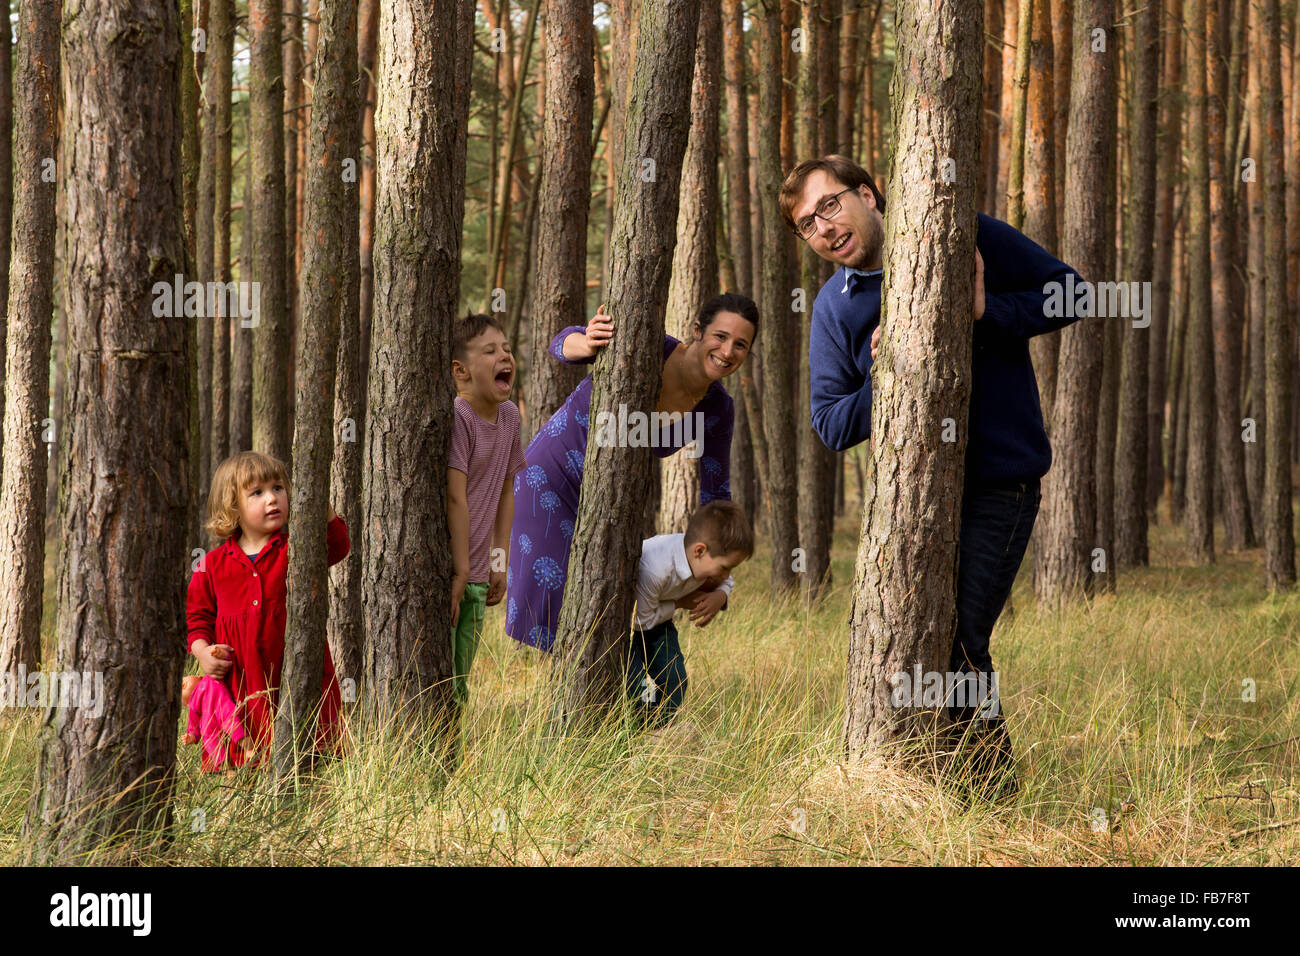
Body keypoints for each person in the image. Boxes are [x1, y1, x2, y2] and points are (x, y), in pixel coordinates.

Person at [779, 154, 1085, 779]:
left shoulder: (962, 235)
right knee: (916, 637)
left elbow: (1073, 293)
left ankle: (991, 798)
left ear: (868, 193)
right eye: (808, 224)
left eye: (830, 205)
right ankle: (945, 788)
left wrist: (987, 312)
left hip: (1000, 483)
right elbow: (832, 423)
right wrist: (890, 366)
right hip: (911, 502)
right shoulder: (835, 308)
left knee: (957, 642)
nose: (824, 228)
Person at [505, 292, 759, 653]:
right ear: (697, 330)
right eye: (720, 336)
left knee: (599, 599)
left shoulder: (718, 408)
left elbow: (716, 496)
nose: (728, 350)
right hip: (549, 478)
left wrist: (721, 589)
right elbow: (559, 343)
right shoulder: (648, 345)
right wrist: (587, 342)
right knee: (557, 602)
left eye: (741, 344)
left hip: (608, 501)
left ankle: (587, 697)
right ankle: (554, 697)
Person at [186, 451, 349, 769]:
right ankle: (245, 813)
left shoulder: (297, 547)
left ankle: (311, 813)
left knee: (309, 758)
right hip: (241, 682)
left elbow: (338, 544)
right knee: (244, 765)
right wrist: (204, 653)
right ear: (233, 506)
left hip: (296, 672)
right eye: (257, 493)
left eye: (278, 488)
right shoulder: (211, 565)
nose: (272, 498)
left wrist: (317, 498)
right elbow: (197, 619)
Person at [448, 313, 527, 712]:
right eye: (490, 351)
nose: (505, 356)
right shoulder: (459, 418)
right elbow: (455, 498)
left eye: (507, 349)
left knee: (460, 679)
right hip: (450, 572)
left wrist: (500, 563)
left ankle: (450, 756)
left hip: (479, 576)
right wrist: (460, 571)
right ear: (461, 371)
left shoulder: (510, 416)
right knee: (436, 673)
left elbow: (507, 489)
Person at [628, 500, 753, 728]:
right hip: (630, 631)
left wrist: (720, 596)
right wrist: (680, 603)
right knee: (640, 687)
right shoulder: (655, 569)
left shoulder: (706, 561)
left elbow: (727, 582)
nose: (727, 576)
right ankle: (640, 730)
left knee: (675, 679)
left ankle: (661, 729)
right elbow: (640, 621)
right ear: (699, 551)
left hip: (658, 622)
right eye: (725, 568)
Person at [180, 662, 255, 773]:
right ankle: (226, 769)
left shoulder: (209, 678)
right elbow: (194, 724)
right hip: (207, 721)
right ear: (187, 704)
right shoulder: (193, 706)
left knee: (232, 725)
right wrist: (192, 736)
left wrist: (220, 653)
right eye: (180, 691)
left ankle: (249, 748)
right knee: (209, 739)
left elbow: (222, 662)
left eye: (183, 680)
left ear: (198, 677)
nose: (181, 684)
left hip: (222, 707)